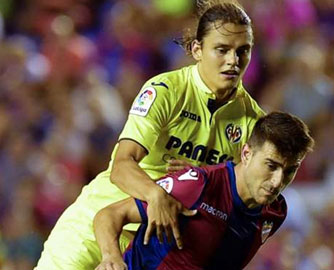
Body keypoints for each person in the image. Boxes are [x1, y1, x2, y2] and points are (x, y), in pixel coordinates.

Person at [34, 1, 265, 270]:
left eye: (243, 51)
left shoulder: (253, 123)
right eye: (222, 50)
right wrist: (156, 194)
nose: (233, 61)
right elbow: (122, 166)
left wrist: (205, 179)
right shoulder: (165, 91)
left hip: (155, 248)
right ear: (197, 49)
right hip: (94, 225)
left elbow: (240, 204)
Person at [93, 112, 314, 270]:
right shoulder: (197, 185)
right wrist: (111, 258)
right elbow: (110, 215)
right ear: (246, 154)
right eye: (271, 166)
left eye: (289, 171)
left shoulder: (275, 213)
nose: (277, 182)